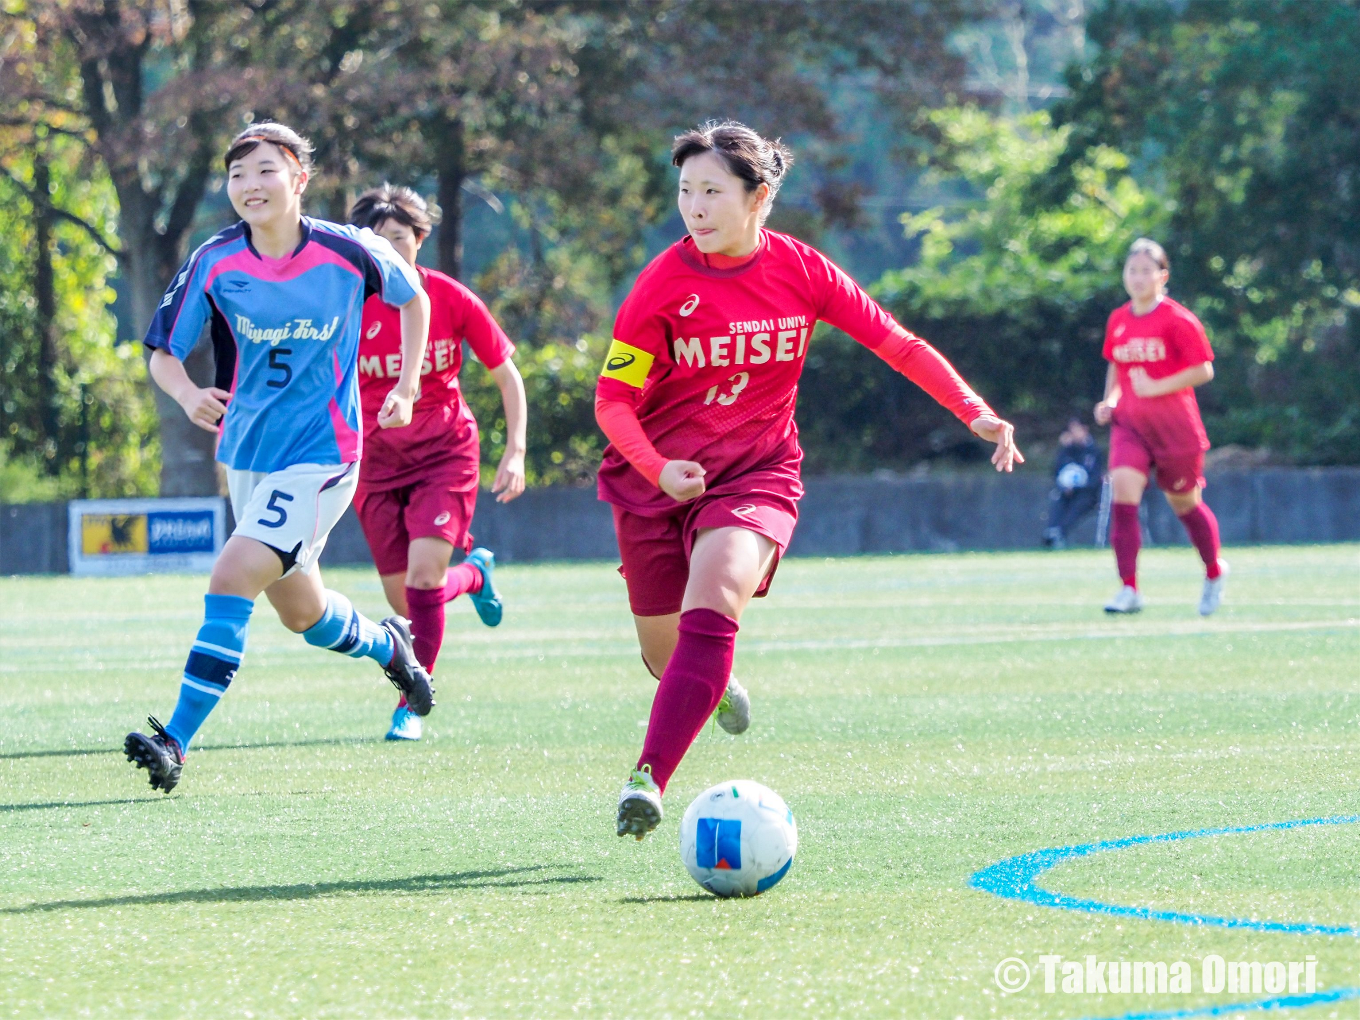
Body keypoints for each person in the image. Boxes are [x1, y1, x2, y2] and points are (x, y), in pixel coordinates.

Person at [597, 121, 1023, 840]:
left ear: (758, 197)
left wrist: (972, 410)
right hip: (656, 482)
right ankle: (711, 680)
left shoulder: (802, 271)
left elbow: (897, 343)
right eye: (685, 192)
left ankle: (648, 779)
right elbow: (613, 400)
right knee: (663, 656)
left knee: (718, 596)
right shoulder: (662, 285)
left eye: (711, 192)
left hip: (757, 474)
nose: (694, 208)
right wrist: (658, 468)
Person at [125, 123, 434, 793]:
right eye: (237, 174)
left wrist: (408, 385)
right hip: (246, 456)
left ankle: (174, 740)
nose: (249, 185)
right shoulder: (214, 259)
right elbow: (162, 352)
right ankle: (390, 646)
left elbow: (415, 298)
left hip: (324, 455)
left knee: (231, 576)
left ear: (298, 180)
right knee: (303, 615)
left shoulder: (349, 249)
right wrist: (184, 394)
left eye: (265, 170)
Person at [348, 184, 528, 742]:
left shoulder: (450, 298)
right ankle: (475, 575)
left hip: (443, 455)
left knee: (425, 583)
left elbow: (506, 374)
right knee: (405, 600)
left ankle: (410, 704)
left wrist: (516, 449)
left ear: (420, 240)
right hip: (373, 467)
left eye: (400, 240)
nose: (390, 253)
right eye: (377, 244)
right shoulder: (348, 303)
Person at [1094, 237, 1225, 615]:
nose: (1137, 278)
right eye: (1131, 270)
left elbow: (1204, 369)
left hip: (1175, 431)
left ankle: (1215, 571)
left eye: (1145, 271)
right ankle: (1129, 589)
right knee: (1122, 489)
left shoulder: (1178, 319)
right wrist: (1111, 402)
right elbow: (1116, 365)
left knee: (1185, 504)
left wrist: (1157, 386)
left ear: (1162, 276)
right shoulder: (1118, 319)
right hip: (1131, 425)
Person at [1043, 418, 1103, 548]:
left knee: (1078, 506)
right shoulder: (1068, 450)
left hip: (1087, 494)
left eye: (1076, 430)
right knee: (1058, 500)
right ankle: (1052, 531)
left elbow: (1095, 477)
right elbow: (1057, 471)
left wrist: (1078, 487)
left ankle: (1059, 533)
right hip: (1066, 491)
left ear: (1084, 430)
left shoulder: (1094, 451)